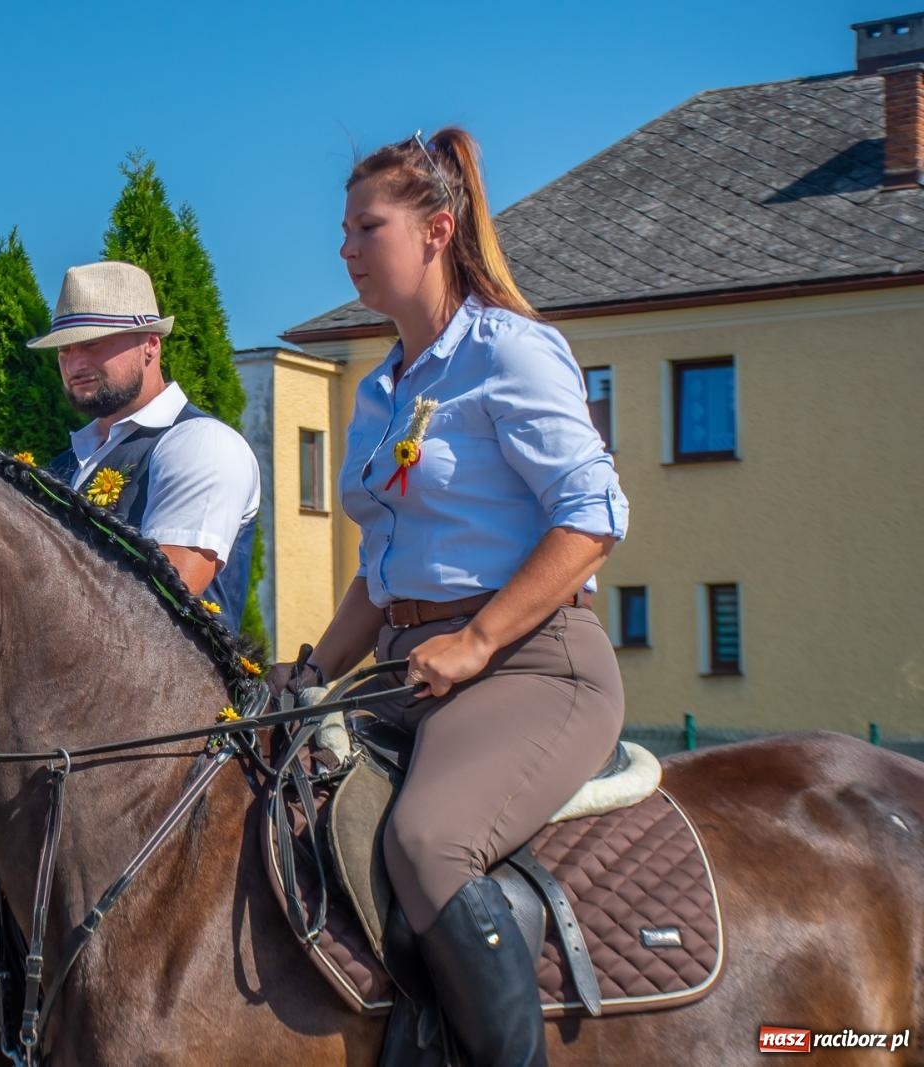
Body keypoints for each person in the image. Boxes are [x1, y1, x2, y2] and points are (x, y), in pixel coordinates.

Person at [269, 129, 629, 1066]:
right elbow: (385, 575)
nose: (345, 248)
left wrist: (476, 644)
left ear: (436, 230)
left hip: (534, 667)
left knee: (427, 844)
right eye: (342, 229)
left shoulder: (514, 351)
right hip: (406, 667)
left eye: (365, 227)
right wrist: (305, 674)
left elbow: (592, 516)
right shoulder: (380, 387)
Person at [28, 261, 260, 619]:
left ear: (151, 344)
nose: (74, 363)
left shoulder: (202, 444)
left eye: (92, 344)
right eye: (64, 350)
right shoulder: (66, 464)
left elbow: (156, 606)